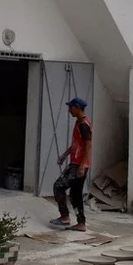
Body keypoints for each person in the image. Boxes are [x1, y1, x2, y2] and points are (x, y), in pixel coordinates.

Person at [49, 97, 92, 232]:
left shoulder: (83, 124)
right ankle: (81, 223)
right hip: (76, 163)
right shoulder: (79, 122)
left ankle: (64, 217)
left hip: (78, 165)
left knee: (58, 186)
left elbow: (88, 146)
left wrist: (82, 165)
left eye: (71, 107)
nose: (69, 110)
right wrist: (65, 155)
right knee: (75, 194)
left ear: (77, 107)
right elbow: (76, 144)